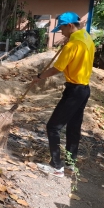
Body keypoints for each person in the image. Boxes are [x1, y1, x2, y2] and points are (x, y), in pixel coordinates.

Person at [32, 12, 95, 178]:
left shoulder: (72, 45)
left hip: (74, 91)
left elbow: (57, 68)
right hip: (84, 89)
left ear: (70, 26)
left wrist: (39, 77)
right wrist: (69, 41)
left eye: (61, 28)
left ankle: (56, 166)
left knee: (53, 126)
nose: (61, 32)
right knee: (73, 127)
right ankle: (70, 163)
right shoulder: (86, 38)